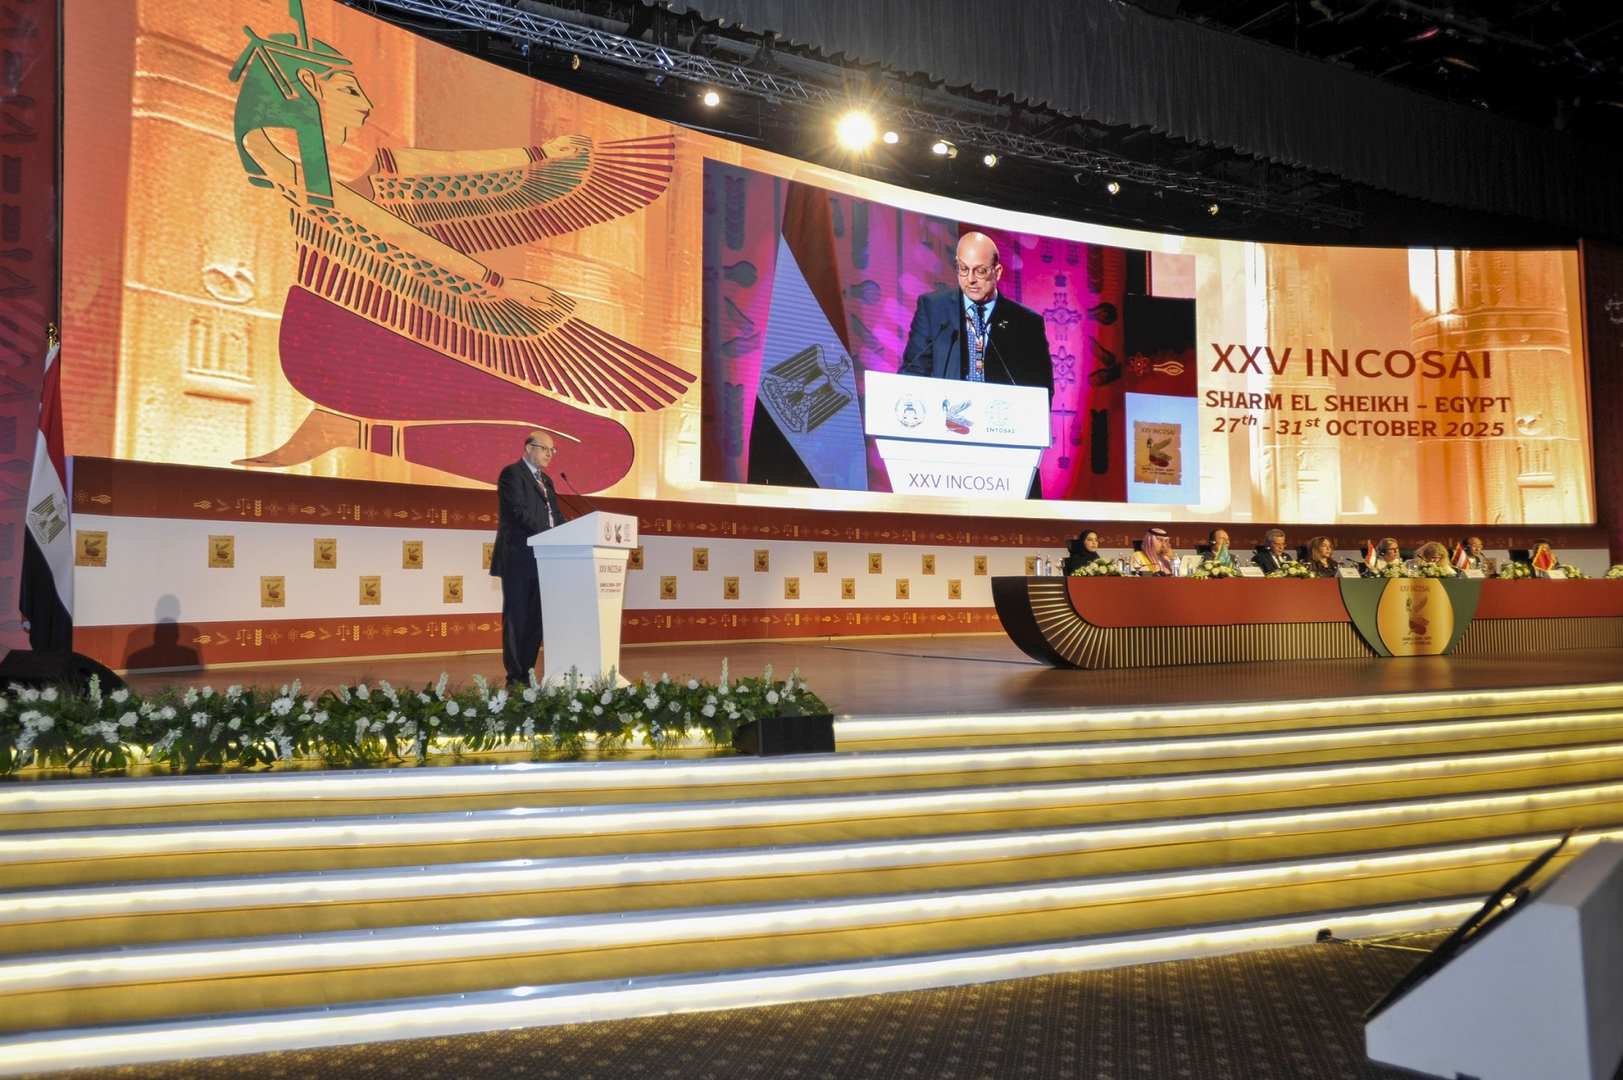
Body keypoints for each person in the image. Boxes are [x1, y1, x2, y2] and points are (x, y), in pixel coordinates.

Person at [900, 232, 1054, 397]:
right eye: (964, 269)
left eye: (980, 271)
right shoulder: (933, 308)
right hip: (944, 409)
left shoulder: (1027, 323)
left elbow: (1041, 391)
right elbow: (913, 372)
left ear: (997, 272)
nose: (970, 279)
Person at [492, 431, 564, 687]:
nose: (549, 454)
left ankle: (528, 673)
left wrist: (568, 532)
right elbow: (518, 513)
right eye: (545, 449)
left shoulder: (547, 481)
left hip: (544, 559)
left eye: (552, 450)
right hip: (519, 558)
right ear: (529, 448)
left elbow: (556, 515)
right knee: (517, 618)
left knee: (535, 619)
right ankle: (515, 677)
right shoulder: (512, 474)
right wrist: (550, 533)